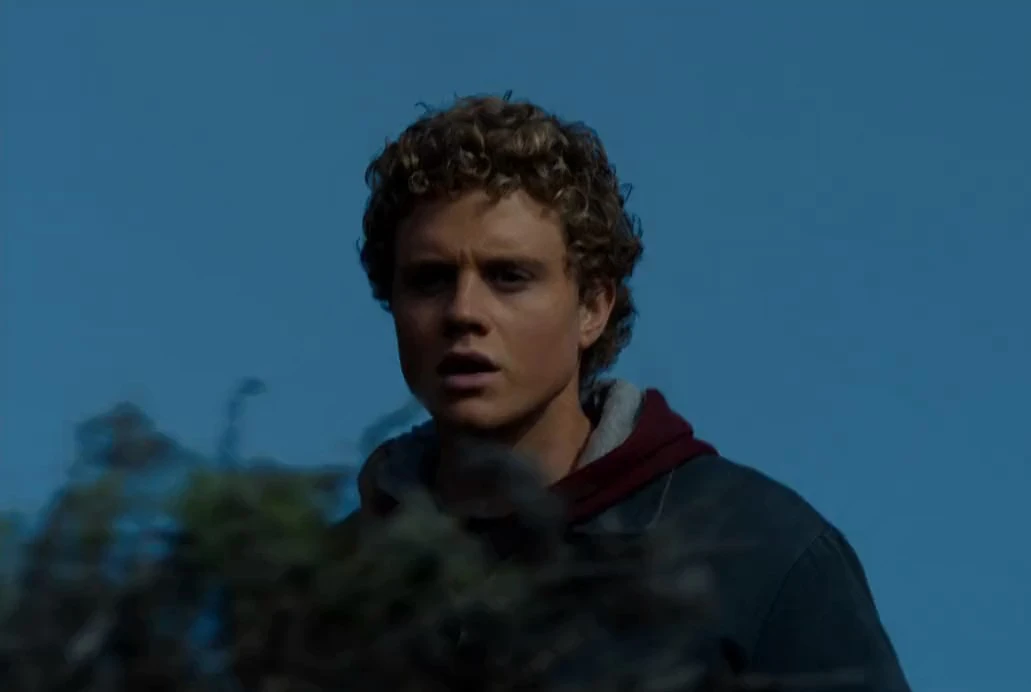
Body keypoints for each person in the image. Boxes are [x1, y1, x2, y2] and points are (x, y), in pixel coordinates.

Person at [350, 94, 912, 692]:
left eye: (509, 277)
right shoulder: (332, 589)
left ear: (593, 306)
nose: (464, 312)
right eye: (430, 280)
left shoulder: (760, 557)